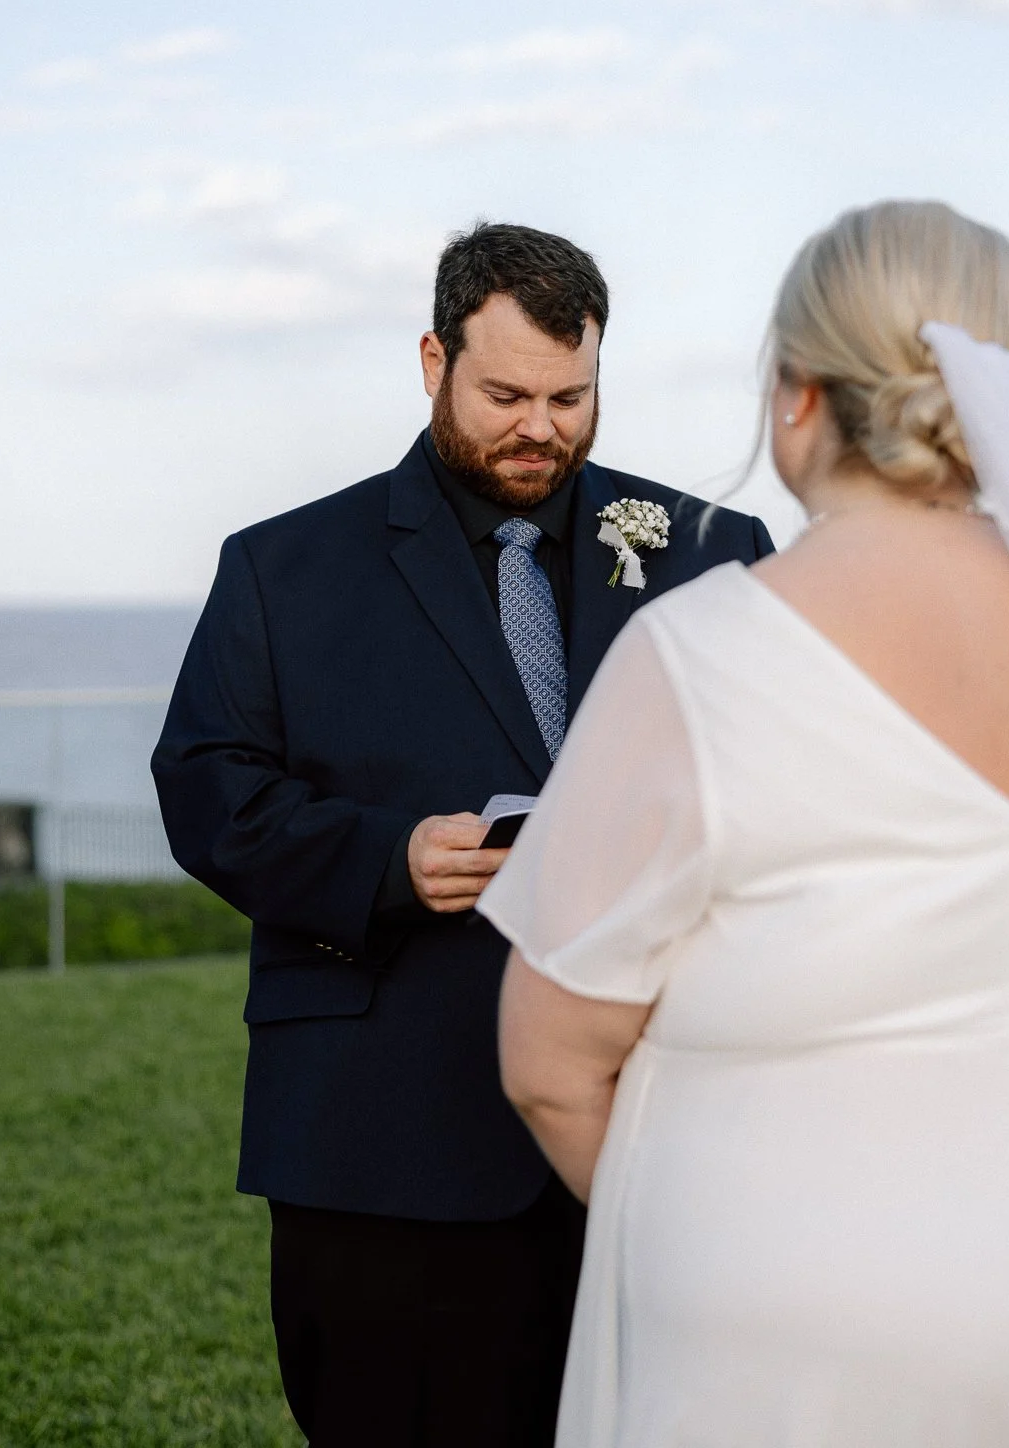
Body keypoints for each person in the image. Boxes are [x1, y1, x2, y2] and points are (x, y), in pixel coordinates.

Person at [480, 200, 1009, 1447]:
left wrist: (702, 1245)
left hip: (783, 1338)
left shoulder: (704, 656)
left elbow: (549, 1068)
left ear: (795, 395)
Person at [151, 221, 773, 1448]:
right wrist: (387, 859)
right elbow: (207, 788)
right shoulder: (284, 568)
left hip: (655, 1137)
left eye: (569, 395)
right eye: (503, 394)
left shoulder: (713, 555)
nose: (539, 426)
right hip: (383, 1145)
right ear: (433, 359)